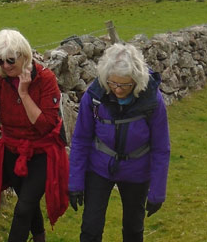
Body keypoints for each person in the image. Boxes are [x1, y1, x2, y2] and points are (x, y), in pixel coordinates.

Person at [0, 29, 69, 242]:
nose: (5, 66)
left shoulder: (45, 79)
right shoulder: (1, 79)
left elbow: (44, 125)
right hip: (13, 152)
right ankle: (39, 238)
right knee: (28, 203)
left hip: (41, 153)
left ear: (24, 56)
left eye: (11, 61)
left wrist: (23, 93)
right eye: (0, 61)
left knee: (23, 208)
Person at [68, 43, 170, 242]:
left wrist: (157, 191)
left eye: (124, 85)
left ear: (136, 80)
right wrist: (75, 182)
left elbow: (161, 147)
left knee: (133, 229)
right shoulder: (95, 95)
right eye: (113, 83)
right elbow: (80, 139)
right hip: (99, 166)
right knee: (90, 228)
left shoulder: (151, 100)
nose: (117, 89)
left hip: (137, 170)